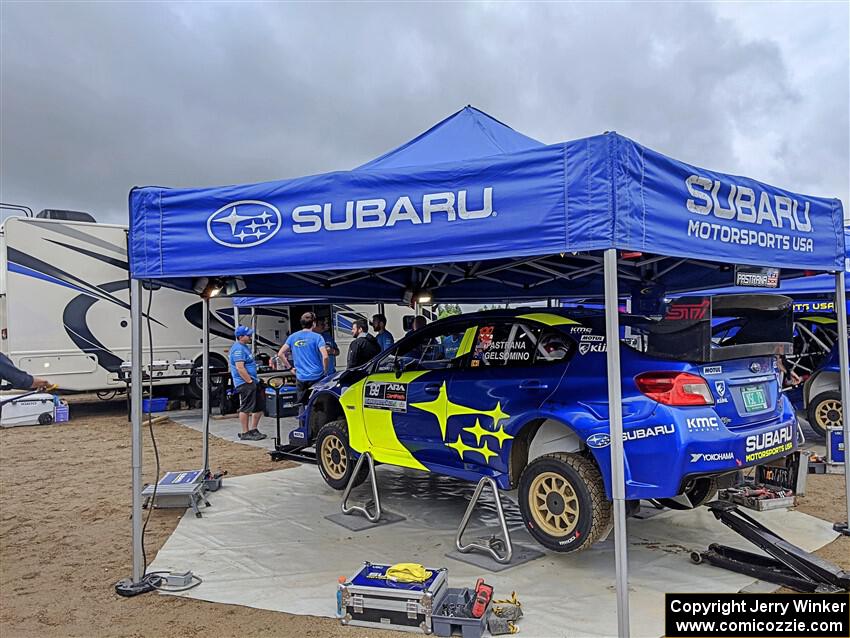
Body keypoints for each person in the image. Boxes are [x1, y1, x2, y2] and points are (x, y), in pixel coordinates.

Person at [278, 312, 329, 413]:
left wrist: (290, 368)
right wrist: (325, 370)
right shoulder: (317, 337)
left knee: (302, 404)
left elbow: (280, 354)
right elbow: (325, 356)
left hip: (301, 376)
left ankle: (303, 426)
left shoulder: (293, 337)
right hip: (317, 376)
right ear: (314, 323)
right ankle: (317, 426)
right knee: (318, 405)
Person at [228, 326, 266, 441]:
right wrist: (249, 381)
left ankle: (254, 429)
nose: (250, 337)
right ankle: (245, 432)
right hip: (244, 383)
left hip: (253, 381)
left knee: (259, 406)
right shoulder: (238, 349)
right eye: (247, 335)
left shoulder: (245, 347)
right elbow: (240, 368)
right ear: (240, 337)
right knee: (246, 407)